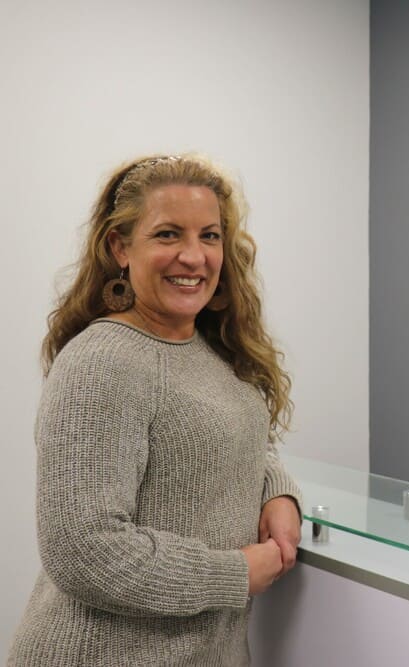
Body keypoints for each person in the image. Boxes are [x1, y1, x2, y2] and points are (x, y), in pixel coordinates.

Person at [8, 154, 302, 666]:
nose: (194, 256)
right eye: (168, 234)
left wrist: (277, 492)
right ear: (120, 247)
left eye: (209, 236)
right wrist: (234, 573)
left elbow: (228, 436)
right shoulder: (101, 362)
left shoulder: (208, 350)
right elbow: (84, 550)